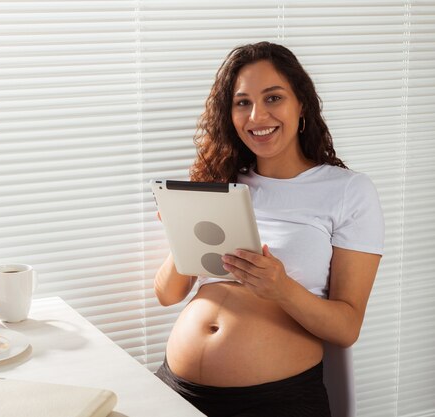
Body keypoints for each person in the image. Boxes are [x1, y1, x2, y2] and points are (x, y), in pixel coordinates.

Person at [153, 41, 384, 417]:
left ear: (301, 105)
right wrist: (183, 232)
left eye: (273, 98)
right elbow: (167, 294)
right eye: (242, 102)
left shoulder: (348, 191)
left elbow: (347, 327)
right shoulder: (222, 183)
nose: (257, 116)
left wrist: (282, 289)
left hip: (273, 401)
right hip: (175, 390)